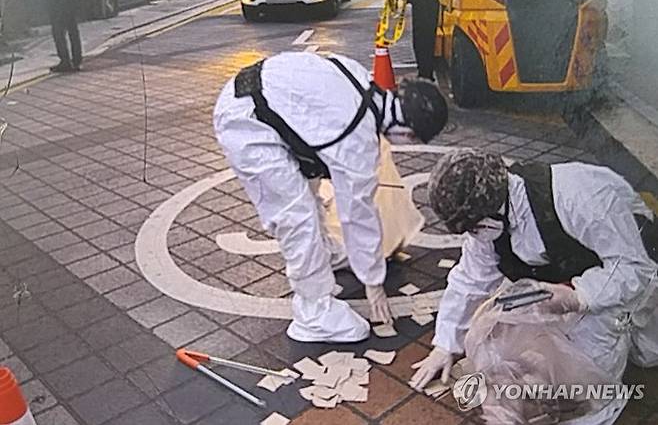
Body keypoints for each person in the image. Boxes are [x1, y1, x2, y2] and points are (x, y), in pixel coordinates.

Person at [213, 52, 448, 343]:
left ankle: (323, 254)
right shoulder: (358, 139)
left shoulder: (360, 78)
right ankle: (313, 312)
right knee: (296, 216)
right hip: (246, 124)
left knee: (308, 192)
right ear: (408, 132)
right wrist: (373, 283)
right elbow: (357, 214)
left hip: (257, 100)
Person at [410, 150, 658, 421]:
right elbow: (469, 281)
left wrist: (580, 296)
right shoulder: (488, 224)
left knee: (595, 391)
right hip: (572, 280)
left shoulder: (578, 196)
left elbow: (635, 267)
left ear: (494, 207)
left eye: (474, 227)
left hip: (632, 269)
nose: (474, 235)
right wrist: (446, 344)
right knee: (552, 373)